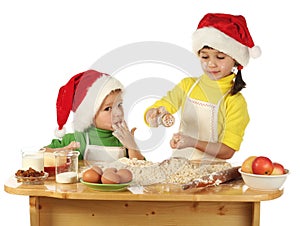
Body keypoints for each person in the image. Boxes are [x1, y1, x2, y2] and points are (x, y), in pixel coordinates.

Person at [144, 13, 261, 161]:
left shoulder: (235, 101)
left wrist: (192, 142)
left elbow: (227, 151)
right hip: (179, 165)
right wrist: (154, 116)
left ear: (236, 60)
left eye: (220, 57)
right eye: (205, 57)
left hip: (213, 173)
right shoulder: (187, 85)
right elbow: (162, 106)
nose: (211, 64)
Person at [45, 69, 145, 162]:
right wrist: (61, 151)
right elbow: (41, 154)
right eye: (108, 108)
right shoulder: (77, 139)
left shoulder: (123, 139)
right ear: (89, 115)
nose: (118, 113)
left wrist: (132, 147)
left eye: (119, 105)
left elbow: (143, 170)